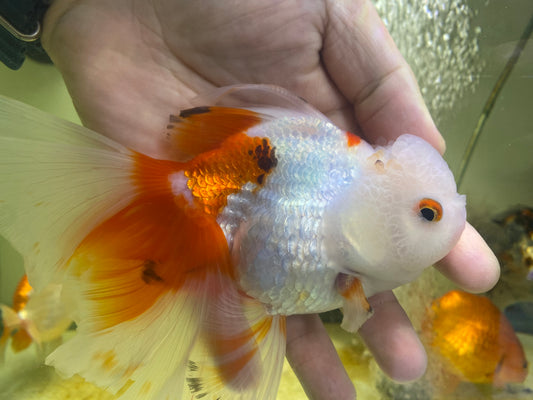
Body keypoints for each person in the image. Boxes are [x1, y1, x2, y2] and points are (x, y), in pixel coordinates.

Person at [35, 1, 499, 398]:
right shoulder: (354, 253)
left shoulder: (358, 230)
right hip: (236, 179)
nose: (444, 222)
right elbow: (352, 310)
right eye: (427, 213)